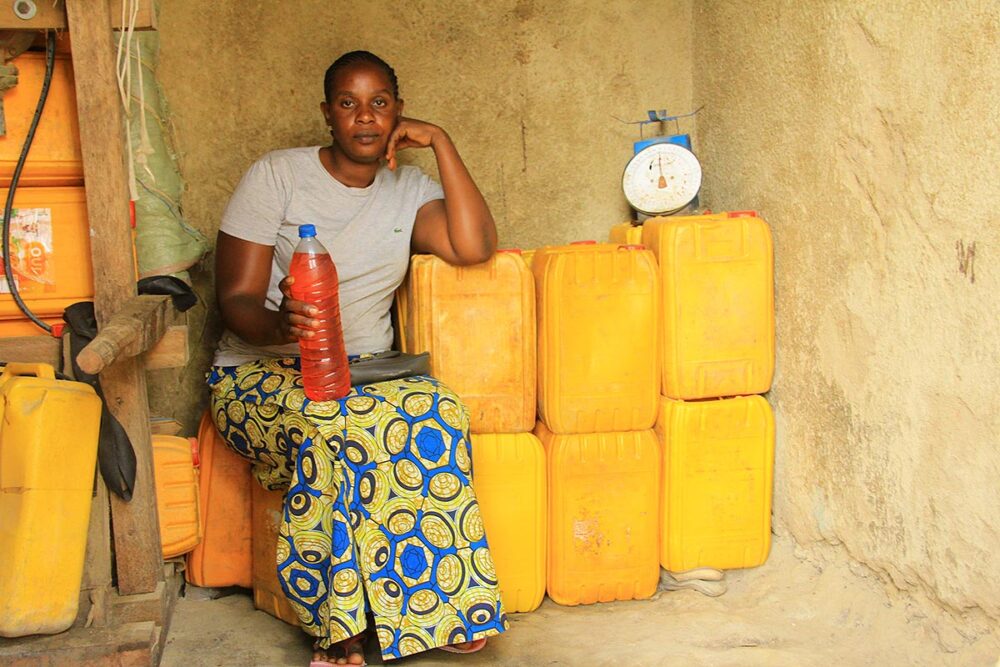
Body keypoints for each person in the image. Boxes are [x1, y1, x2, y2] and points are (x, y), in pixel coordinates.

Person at [208, 50, 507, 666]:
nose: (365, 118)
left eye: (380, 103)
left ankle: (438, 612)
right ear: (327, 114)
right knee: (334, 427)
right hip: (257, 375)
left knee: (438, 408)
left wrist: (442, 143)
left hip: (364, 372)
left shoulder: (411, 190)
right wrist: (277, 326)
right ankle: (337, 630)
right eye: (348, 104)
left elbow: (474, 246)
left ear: (399, 111)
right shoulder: (278, 176)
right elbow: (234, 298)